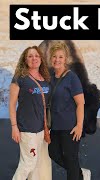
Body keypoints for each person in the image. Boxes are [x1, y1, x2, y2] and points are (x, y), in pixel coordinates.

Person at [47, 42, 91, 180]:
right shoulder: (51, 78)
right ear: (50, 58)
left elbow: (80, 103)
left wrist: (79, 126)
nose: (57, 60)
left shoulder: (72, 78)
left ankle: (77, 174)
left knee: (70, 159)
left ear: (65, 59)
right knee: (53, 153)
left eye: (60, 57)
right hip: (54, 127)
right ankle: (81, 173)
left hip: (70, 127)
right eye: (54, 56)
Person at [9, 46, 52, 180]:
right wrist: (14, 126)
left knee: (37, 165)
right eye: (30, 56)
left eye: (37, 56)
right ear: (25, 60)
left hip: (41, 129)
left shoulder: (45, 79)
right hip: (27, 129)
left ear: (41, 59)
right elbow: (11, 104)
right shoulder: (20, 78)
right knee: (28, 163)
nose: (34, 58)